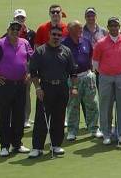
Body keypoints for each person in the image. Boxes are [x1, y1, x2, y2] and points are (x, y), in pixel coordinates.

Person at [0, 21, 33, 157]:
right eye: (13, 28)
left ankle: (17, 143)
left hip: (21, 85)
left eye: (18, 29)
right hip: (5, 85)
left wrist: (29, 73)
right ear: (8, 29)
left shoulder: (24, 43)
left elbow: (31, 60)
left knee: (19, 115)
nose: (15, 31)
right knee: (4, 115)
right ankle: (4, 145)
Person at [27, 26, 78, 158]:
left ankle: (56, 145)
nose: (56, 37)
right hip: (45, 88)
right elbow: (33, 72)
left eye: (59, 35)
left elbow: (73, 72)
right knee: (41, 119)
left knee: (59, 118)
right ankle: (37, 147)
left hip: (62, 88)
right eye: (54, 34)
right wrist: (37, 88)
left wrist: (74, 87)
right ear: (49, 34)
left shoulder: (66, 51)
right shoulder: (40, 51)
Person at [93, 17, 121, 145]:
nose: (114, 28)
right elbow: (95, 63)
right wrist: (105, 72)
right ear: (108, 27)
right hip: (105, 77)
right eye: (111, 25)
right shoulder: (101, 43)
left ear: (119, 26)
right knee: (106, 104)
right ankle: (106, 133)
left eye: (116, 25)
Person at [62, 21, 100, 140]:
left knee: (92, 103)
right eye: (78, 28)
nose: (81, 30)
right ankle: (72, 131)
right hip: (72, 79)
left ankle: (94, 128)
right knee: (73, 105)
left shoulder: (85, 41)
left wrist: (92, 72)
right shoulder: (63, 43)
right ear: (70, 30)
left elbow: (91, 57)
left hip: (88, 76)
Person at [11, 9, 37, 128]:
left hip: (28, 67)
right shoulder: (10, 33)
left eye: (22, 18)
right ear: (14, 19)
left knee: (26, 92)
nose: (20, 20)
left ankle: (26, 117)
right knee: (18, 93)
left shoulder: (31, 33)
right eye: (18, 18)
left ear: (25, 19)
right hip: (15, 68)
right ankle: (19, 117)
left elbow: (34, 50)